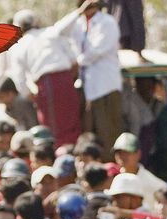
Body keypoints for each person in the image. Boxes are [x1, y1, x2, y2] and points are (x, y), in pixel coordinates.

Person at [53, 0, 124, 147]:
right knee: (90, 133)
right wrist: (78, 13)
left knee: (108, 131)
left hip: (105, 86)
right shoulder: (78, 23)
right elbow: (57, 31)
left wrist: (77, 62)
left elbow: (97, 50)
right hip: (87, 88)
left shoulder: (107, 22)